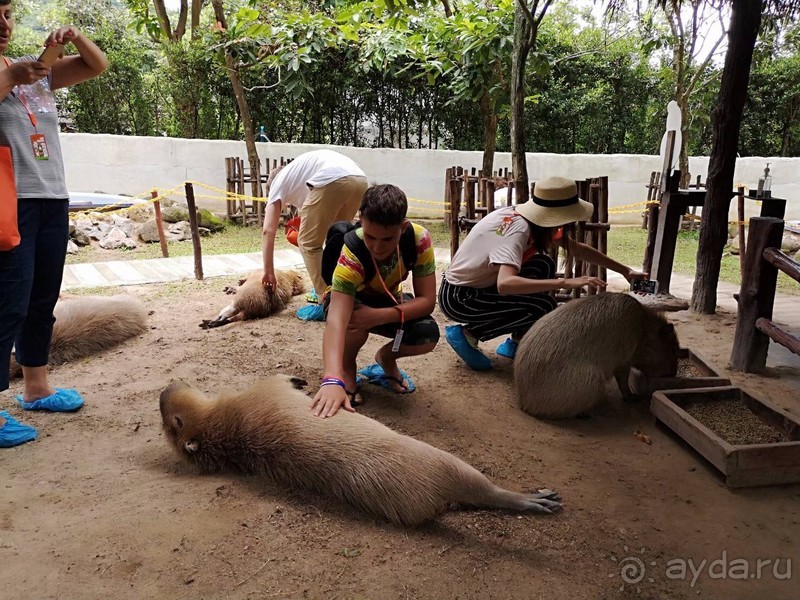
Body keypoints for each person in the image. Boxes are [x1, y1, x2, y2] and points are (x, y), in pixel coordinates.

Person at [0, 4, 109, 447]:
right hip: (10, 202)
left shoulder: (27, 70)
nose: (3, 24)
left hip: (50, 197)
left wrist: (71, 39)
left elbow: (95, 65)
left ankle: (37, 388)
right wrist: (11, 78)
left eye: (6, 13)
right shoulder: (14, 74)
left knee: (41, 298)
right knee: (7, 303)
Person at [439, 176, 647, 371]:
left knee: (542, 264)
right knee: (542, 307)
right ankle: (468, 334)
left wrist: (625, 271)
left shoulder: (530, 221)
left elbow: (577, 249)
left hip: (476, 286)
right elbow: (505, 283)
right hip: (460, 298)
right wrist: (564, 283)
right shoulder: (518, 230)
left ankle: (518, 340)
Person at [310, 184, 439, 418]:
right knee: (352, 321)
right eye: (370, 236)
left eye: (388, 239)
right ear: (360, 221)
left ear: (404, 227)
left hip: (384, 301)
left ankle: (386, 359)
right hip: (350, 301)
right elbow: (337, 320)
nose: (378, 247)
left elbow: (428, 301)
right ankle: (347, 369)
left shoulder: (419, 240)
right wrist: (331, 378)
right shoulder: (352, 252)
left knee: (427, 334)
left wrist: (377, 316)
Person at [260, 149, 368, 320]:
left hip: (333, 179)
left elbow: (268, 230)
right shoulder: (299, 174)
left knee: (308, 244)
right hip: (359, 179)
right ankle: (345, 290)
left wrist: (268, 271)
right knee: (337, 238)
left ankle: (326, 301)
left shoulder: (277, 183)